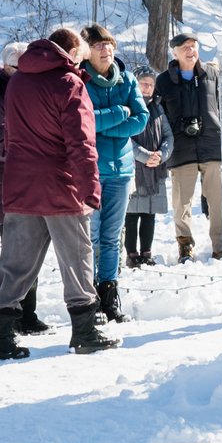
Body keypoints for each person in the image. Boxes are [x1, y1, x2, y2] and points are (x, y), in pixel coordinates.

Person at [0, 26, 117, 360]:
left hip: (20, 184)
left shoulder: (17, 82)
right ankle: (85, 330)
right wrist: (90, 187)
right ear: (72, 54)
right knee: (77, 258)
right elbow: (81, 142)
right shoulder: (69, 84)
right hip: (61, 185)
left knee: (16, 262)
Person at [0, 42, 49, 338]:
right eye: (22, 69)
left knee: (28, 253)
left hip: (29, 185)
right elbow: (0, 147)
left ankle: (25, 313)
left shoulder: (27, 94)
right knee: (14, 255)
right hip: (7, 188)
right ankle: (5, 316)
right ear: (7, 69)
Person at [80, 25, 147, 323]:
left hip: (121, 170)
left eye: (109, 44)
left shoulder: (128, 79)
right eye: (98, 46)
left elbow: (141, 120)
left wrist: (104, 125)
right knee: (90, 237)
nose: (106, 50)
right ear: (87, 51)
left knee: (110, 237)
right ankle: (89, 298)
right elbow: (83, 122)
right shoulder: (80, 81)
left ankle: (109, 296)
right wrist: (120, 114)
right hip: (90, 169)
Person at [153, 30, 222, 261]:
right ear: (174, 52)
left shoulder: (213, 73)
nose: (190, 50)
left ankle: (220, 245)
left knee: (217, 201)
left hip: (212, 144)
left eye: (193, 46)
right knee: (181, 203)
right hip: (181, 147)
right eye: (184, 47)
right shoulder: (163, 81)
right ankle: (185, 245)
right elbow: (158, 115)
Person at [126, 73, 168, 269]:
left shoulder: (159, 108)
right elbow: (125, 136)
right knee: (132, 213)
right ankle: (132, 253)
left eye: (151, 84)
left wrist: (161, 154)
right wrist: (144, 156)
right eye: (144, 83)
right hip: (134, 167)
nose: (148, 87)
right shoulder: (129, 105)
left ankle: (146, 252)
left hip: (155, 169)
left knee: (150, 212)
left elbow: (168, 135)